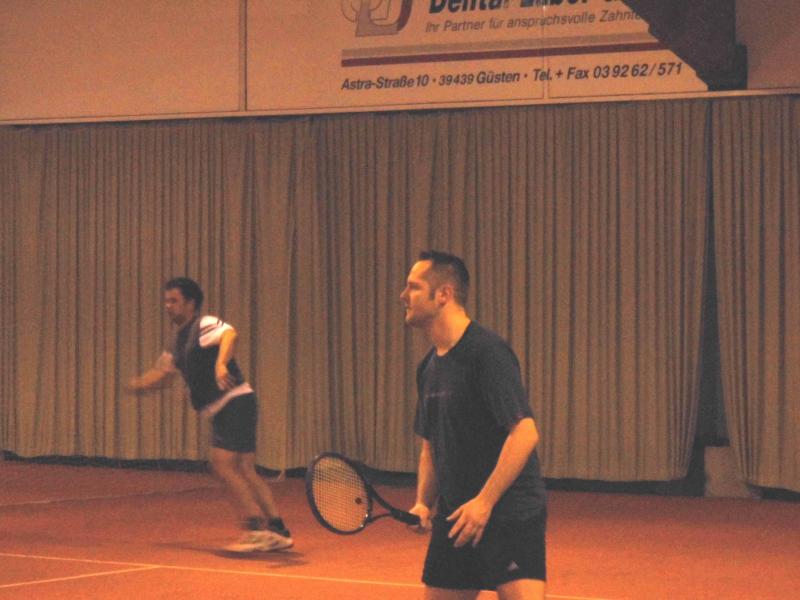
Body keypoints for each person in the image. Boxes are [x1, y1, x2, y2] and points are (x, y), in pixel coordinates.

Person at [400, 251, 547, 600]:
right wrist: (423, 503)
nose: (403, 296)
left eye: (413, 287)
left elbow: (525, 433)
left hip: (510, 511)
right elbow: (430, 446)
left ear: (443, 294)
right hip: (456, 516)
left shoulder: (487, 353)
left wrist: (484, 502)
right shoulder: (428, 368)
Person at [127, 277, 292, 553]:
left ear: (190, 303)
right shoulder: (178, 343)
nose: (168, 306)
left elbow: (230, 334)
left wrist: (220, 364)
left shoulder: (203, 324)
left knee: (223, 465)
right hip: (232, 406)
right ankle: (278, 530)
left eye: (174, 301)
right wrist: (137, 385)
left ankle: (256, 530)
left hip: (234, 402)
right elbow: (162, 374)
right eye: (166, 301)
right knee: (244, 469)